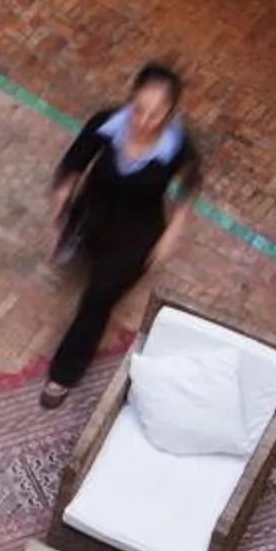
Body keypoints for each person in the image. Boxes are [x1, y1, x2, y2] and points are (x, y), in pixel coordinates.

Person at [42, 62, 200, 407]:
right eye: (139, 110)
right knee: (77, 247)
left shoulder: (178, 146)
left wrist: (173, 232)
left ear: (170, 113)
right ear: (131, 101)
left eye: (155, 114)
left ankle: (64, 373)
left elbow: (190, 186)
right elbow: (73, 166)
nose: (143, 121)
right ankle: (76, 244)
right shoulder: (106, 125)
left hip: (136, 233)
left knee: (97, 301)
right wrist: (58, 214)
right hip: (92, 212)